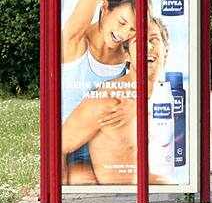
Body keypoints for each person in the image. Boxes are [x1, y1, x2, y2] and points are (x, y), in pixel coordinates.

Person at [62, 16, 172, 185]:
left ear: (166, 49)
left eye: (154, 40)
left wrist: (142, 107)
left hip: (167, 200)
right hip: (117, 201)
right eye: (138, 42)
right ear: (127, 54)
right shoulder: (107, 100)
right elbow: (59, 146)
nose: (148, 47)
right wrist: (68, 188)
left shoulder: (178, 98)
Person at [61, 0, 138, 184]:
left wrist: (134, 106)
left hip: (113, 150)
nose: (124, 33)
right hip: (73, 149)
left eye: (132, 29)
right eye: (121, 22)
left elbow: (152, 88)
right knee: (82, 181)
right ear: (104, 7)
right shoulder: (76, 42)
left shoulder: (129, 55)